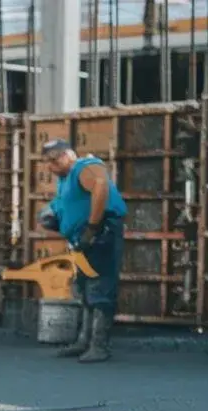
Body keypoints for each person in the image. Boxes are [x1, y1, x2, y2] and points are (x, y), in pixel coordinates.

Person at [37, 139, 127, 363]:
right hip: (82, 240)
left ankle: (99, 345)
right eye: (47, 162)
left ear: (68, 155)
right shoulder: (65, 179)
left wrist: (92, 227)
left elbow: (100, 185)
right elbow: (67, 204)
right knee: (85, 288)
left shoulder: (84, 167)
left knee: (100, 287)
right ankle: (84, 341)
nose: (50, 167)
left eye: (54, 160)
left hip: (101, 234)